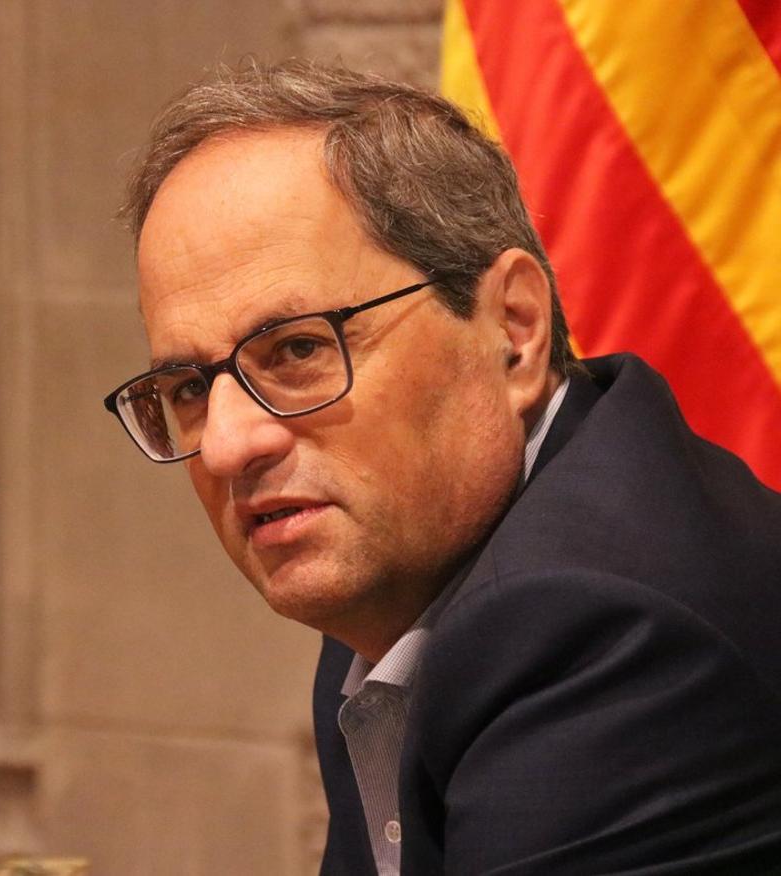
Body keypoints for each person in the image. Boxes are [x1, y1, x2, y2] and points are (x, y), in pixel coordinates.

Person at [102, 59, 781, 875]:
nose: (226, 445)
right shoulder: (398, 589)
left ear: (515, 328)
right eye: (185, 388)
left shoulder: (604, 628)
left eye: (299, 350)